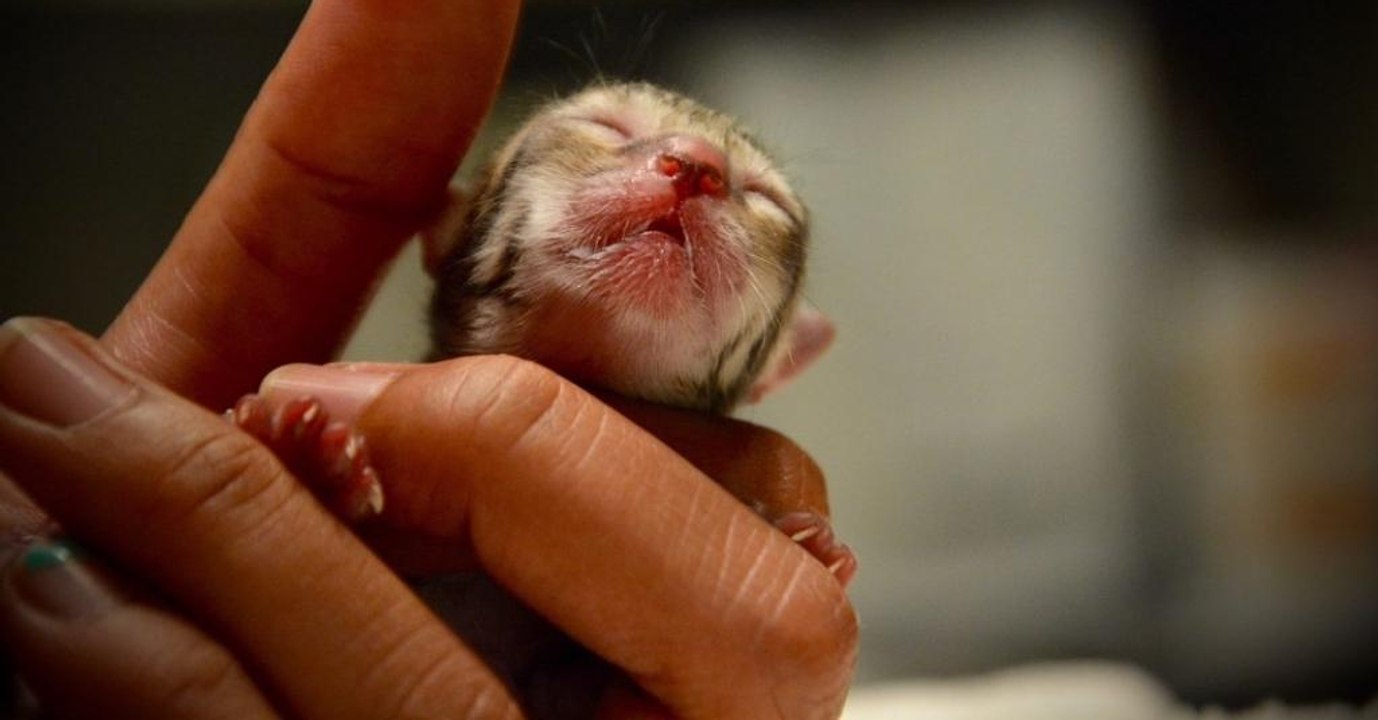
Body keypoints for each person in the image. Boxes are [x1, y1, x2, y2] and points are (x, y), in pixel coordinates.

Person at [0, 1, 858, 718]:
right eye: (601, 129)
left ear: (774, 363)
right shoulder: (345, 434)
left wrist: (776, 546)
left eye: (767, 202)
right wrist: (304, 478)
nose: (696, 167)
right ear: (449, 232)